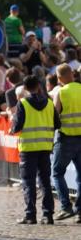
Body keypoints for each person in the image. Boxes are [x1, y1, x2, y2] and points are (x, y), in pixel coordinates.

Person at [10, 74, 59, 225]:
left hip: (28, 148)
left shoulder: (22, 103)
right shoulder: (50, 103)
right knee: (45, 181)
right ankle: (48, 215)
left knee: (28, 182)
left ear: (24, 88)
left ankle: (30, 215)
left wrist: (12, 128)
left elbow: (17, 126)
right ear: (39, 86)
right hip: (45, 147)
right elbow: (57, 124)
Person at [51, 63, 81, 223]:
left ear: (60, 77)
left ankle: (66, 207)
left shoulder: (61, 92)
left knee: (57, 172)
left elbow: (55, 116)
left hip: (66, 139)